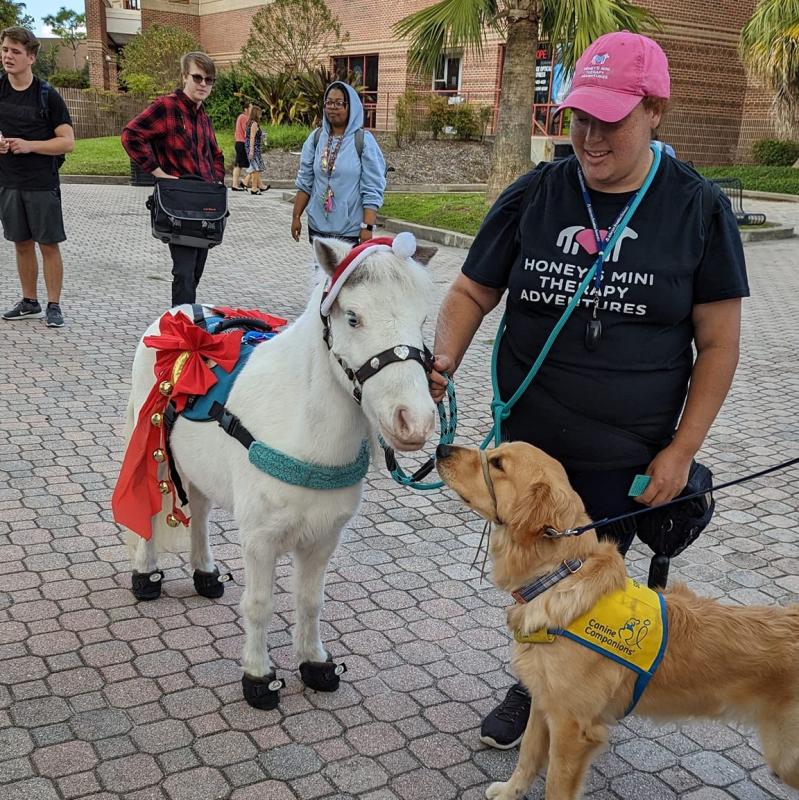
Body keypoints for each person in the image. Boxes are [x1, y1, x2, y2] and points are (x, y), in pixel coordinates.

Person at [428, 31, 748, 750]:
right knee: (527, 576)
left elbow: (719, 344)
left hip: (619, 459)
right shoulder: (536, 192)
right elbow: (471, 290)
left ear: (654, 110)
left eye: (610, 119)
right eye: (579, 117)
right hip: (529, 450)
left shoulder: (694, 208)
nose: (589, 135)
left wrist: (680, 450)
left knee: (584, 588)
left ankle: (557, 689)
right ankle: (539, 683)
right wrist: (441, 359)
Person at [122, 51, 224, 307]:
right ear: (184, 77)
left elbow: (216, 154)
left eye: (208, 80)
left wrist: (217, 184)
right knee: (184, 272)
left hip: (204, 205)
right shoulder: (167, 107)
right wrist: (158, 173)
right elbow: (131, 135)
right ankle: (181, 328)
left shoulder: (203, 117)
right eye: (197, 77)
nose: (203, 84)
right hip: (178, 205)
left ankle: (183, 318)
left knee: (195, 271)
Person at [0, 27, 74, 328]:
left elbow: (68, 141)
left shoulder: (47, 95)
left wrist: (31, 145)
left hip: (42, 183)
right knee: (20, 242)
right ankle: (29, 301)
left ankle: (53, 305)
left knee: (48, 244)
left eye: (15, 51)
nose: (7, 56)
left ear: (31, 57)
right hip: (7, 181)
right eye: (5, 49)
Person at [292, 81, 386, 245]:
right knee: (320, 271)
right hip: (317, 228)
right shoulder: (316, 138)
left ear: (351, 107)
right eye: (328, 102)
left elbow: (372, 187)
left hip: (350, 231)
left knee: (348, 271)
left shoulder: (363, 141)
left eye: (339, 103)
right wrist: (296, 216)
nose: (332, 107)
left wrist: (367, 227)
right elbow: (305, 181)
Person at [244, 104, 268, 195]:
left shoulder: (249, 123)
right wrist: (251, 151)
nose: (260, 114)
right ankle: (254, 189)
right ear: (256, 113)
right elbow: (252, 137)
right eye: (259, 113)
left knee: (255, 168)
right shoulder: (254, 123)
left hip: (253, 147)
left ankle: (248, 184)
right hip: (254, 148)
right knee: (255, 169)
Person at [231, 99, 251, 191]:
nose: (252, 109)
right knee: (254, 166)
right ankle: (243, 182)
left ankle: (238, 184)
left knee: (238, 165)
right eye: (251, 107)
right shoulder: (244, 117)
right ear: (246, 109)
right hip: (242, 143)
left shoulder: (240, 117)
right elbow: (247, 131)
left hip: (239, 142)